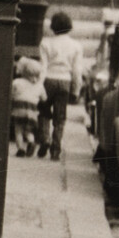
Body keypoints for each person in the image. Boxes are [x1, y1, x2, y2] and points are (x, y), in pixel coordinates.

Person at [39, 11, 87, 161]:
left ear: (52, 26)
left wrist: (39, 86)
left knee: (44, 112)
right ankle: (56, 148)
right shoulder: (76, 46)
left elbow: (43, 66)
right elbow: (77, 70)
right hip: (65, 81)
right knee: (60, 117)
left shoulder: (45, 43)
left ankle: (45, 139)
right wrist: (76, 90)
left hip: (48, 80)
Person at [11, 52, 44, 157]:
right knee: (28, 130)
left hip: (19, 109)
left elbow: (12, 93)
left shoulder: (17, 82)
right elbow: (44, 98)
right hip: (32, 111)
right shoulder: (39, 86)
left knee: (18, 130)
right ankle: (31, 141)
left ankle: (20, 148)